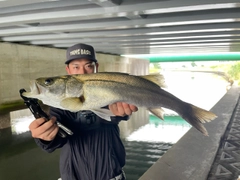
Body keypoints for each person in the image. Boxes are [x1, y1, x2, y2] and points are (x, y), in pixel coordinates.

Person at [28, 43, 138, 180]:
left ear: (96, 67)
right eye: (76, 67)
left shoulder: (109, 92)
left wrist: (121, 113)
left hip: (111, 175)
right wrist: (44, 137)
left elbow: (115, 116)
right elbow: (56, 139)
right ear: (68, 70)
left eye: (88, 66)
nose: (82, 72)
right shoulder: (59, 104)